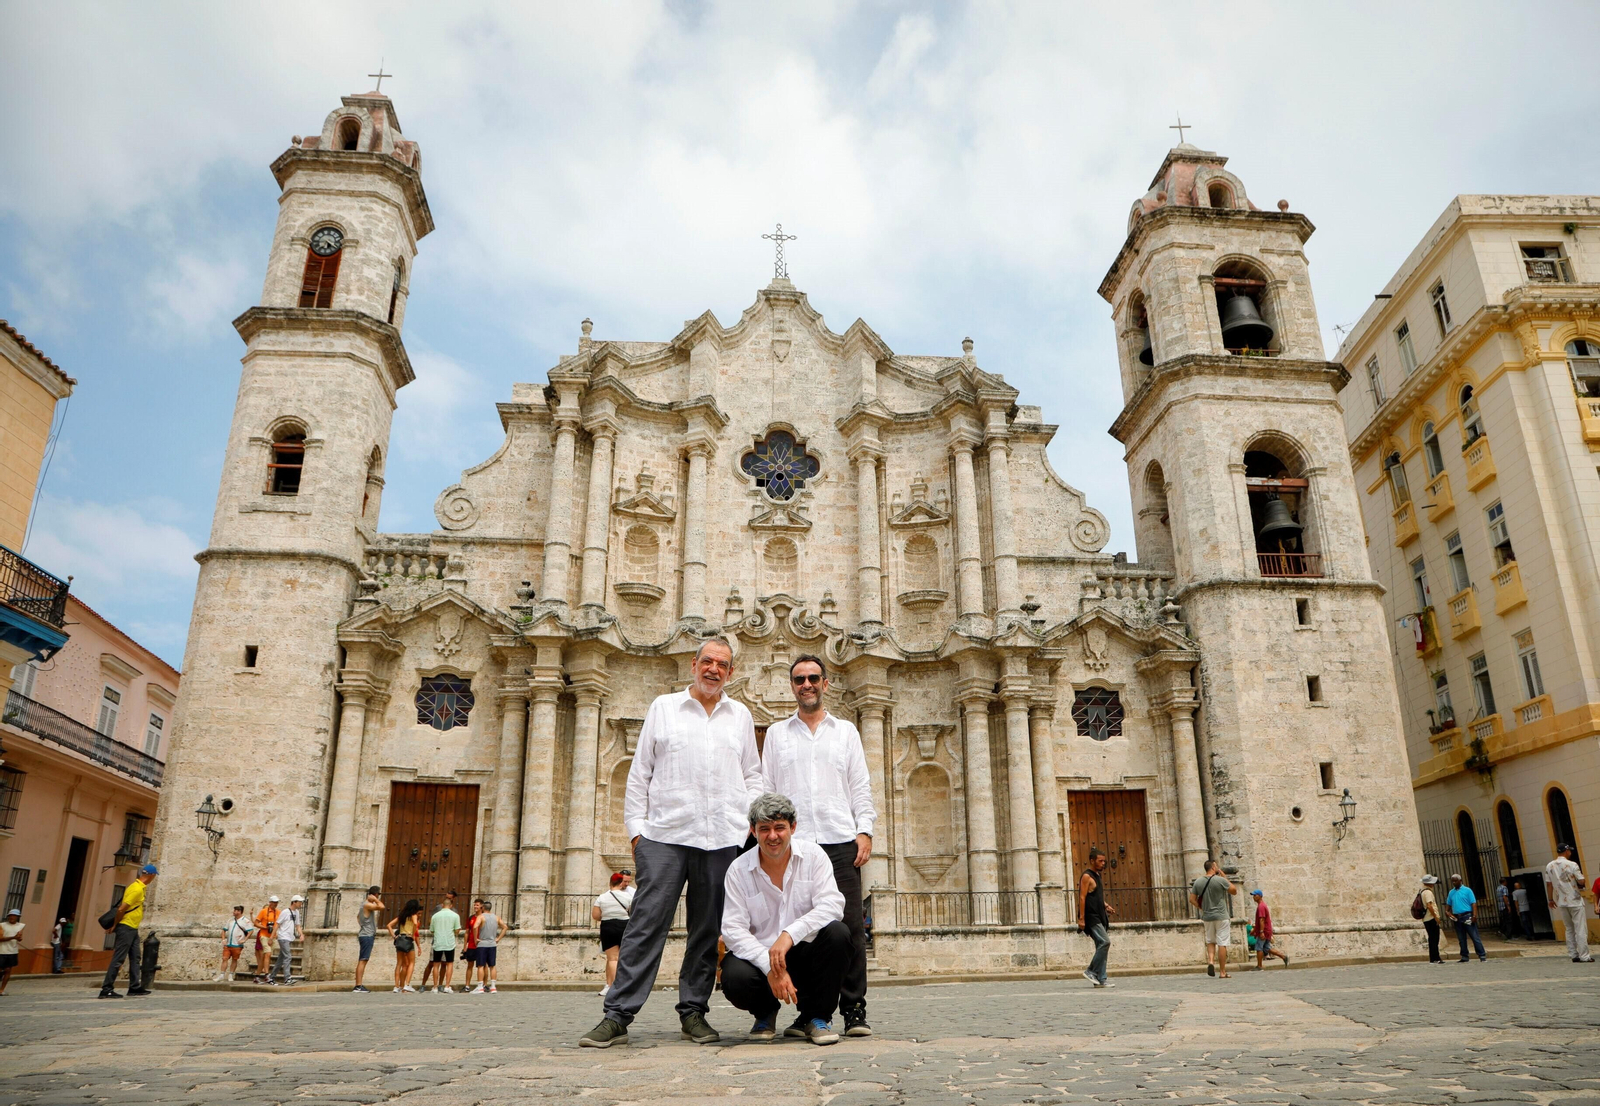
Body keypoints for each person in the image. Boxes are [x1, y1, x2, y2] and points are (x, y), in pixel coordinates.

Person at [580, 637, 763, 1048]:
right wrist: (636, 832)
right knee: (646, 925)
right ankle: (617, 1014)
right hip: (664, 835)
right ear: (694, 665)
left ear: (730, 673)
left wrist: (744, 823)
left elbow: (753, 774)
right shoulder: (664, 707)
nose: (714, 669)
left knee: (706, 929)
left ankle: (694, 1012)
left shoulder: (741, 715)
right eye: (708, 661)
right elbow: (640, 770)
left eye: (722, 664)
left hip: (721, 838)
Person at [760, 653, 878, 1037]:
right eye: (799, 680)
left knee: (849, 928)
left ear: (826, 684)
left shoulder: (846, 732)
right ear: (792, 686)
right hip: (794, 846)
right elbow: (767, 789)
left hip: (839, 839)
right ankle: (811, 1011)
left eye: (813, 678)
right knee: (799, 929)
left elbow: (859, 785)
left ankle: (854, 1008)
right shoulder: (777, 734)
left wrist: (865, 830)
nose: (806, 684)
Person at [719, 793, 849, 1045]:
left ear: (793, 828)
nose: (772, 836)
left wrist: (789, 934)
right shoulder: (737, 869)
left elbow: (833, 905)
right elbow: (733, 929)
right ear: (753, 831)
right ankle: (765, 1012)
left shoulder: (814, 857)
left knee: (838, 934)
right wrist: (770, 966)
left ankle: (815, 1017)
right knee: (733, 976)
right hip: (760, 959)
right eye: (764, 829)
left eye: (780, 827)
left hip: (805, 954)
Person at [99, 863, 157, 998]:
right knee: (118, 958)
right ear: (152, 876)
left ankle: (134, 987)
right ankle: (106, 989)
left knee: (135, 957)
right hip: (126, 927)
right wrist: (115, 924)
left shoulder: (139, 887)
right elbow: (121, 909)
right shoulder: (136, 889)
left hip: (133, 928)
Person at [1189, 859, 1238, 978]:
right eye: (1216, 866)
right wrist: (1224, 876)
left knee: (1210, 941)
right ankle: (1222, 972)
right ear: (1213, 867)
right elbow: (1234, 891)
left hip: (1207, 916)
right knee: (1222, 943)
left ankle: (1211, 961)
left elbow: (1192, 899)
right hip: (1221, 916)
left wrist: (1201, 907)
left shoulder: (1198, 882)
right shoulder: (1220, 880)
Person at [1544, 843, 1593, 963]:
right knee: (1580, 928)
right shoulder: (1572, 864)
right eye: (1569, 850)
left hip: (1561, 901)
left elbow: (1549, 884)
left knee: (1569, 929)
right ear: (1566, 851)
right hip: (1574, 900)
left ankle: (1573, 954)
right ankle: (1584, 955)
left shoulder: (1549, 866)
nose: (1570, 852)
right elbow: (1581, 881)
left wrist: (1550, 899)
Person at [592, 872, 635, 997]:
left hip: (608, 926)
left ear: (610, 882)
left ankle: (612, 985)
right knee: (624, 957)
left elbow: (596, 915)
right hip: (624, 926)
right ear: (621, 883)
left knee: (612, 958)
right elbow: (633, 912)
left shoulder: (602, 897)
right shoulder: (628, 897)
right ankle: (623, 985)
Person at [1078, 847, 1115, 987]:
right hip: (1091, 916)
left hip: (1099, 914)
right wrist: (1081, 918)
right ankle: (1090, 971)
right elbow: (1082, 897)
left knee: (1101, 946)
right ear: (1092, 861)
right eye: (1100, 861)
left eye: (1104, 861)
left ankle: (1101, 979)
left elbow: (1096, 896)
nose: (1103, 863)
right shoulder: (1087, 876)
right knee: (1105, 942)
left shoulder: (1097, 876)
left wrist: (1105, 906)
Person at [1445, 874, 1487, 962]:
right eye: (1452, 881)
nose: (1454, 882)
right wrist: (1447, 912)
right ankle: (1464, 956)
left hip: (1467, 915)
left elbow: (1473, 903)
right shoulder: (1451, 892)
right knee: (1461, 938)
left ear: (1460, 881)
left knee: (1474, 936)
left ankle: (1481, 955)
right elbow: (1448, 904)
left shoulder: (1467, 890)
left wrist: (1474, 915)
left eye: (1455, 881)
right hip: (1457, 917)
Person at [427, 892, 463, 993]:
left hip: (438, 942)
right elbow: (457, 930)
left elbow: (432, 930)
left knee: (436, 964)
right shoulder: (455, 915)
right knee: (449, 964)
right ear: (450, 906)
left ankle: (434, 986)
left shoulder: (435, 916)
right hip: (449, 942)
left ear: (442, 905)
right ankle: (447, 986)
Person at [387, 899, 423, 992]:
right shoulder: (413, 915)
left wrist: (394, 937)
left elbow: (389, 925)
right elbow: (415, 923)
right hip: (408, 939)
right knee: (411, 963)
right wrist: (413, 933)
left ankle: (396, 986)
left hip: (400, 939)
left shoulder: (401, 916)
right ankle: (407, 984)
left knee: (399, 964)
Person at [353, 886, 383, 993]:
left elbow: (358, 917)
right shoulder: (367, 905)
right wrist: (375, 900)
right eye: (378, 895)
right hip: (367, 935)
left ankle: (358, 985)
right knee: (363, 960)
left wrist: (363, 924)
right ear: (375, 894)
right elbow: (382, 907)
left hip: (364, 934)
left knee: (363, 960)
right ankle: (358, 986)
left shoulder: (363, 905)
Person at [1249, 890, 1289, 969]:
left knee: (1259, 948)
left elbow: (1262, 920)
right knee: (1267, 948)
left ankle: (1259, 966)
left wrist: (1261, 932)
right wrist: (1254, 931)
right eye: (1253, 895)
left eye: (1255, 895)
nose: (1253, 897)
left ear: (1260, 896)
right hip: (1266, 930)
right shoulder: (1262, 905)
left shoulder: (1261, 906)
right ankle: (1284, 957)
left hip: (1264, 931)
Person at [273, 894, 303, 985]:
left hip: (289, 938)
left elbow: (298, 925)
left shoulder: (297, 913)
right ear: (294, 902)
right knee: (288, 956)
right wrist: (272, 936)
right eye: (299, 902)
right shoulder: (285, 912)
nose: (301, 904)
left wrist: (301, 934)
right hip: (283, 937)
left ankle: (271, 976)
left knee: (281, 959)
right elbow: (277, 924)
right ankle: (287, 978)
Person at [473, 899, 502, 993]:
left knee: (481, 965)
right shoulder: (496, 917)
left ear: (483, 908)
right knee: (492, 965)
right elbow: (505, 927)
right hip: (492, 944)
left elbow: (474, 927)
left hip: (482, 944)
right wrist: (498, 938)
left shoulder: (481, 917)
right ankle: (493, 986)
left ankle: (480, 986)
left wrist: (475, 939)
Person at [216, 906, 252, 981]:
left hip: (237, 944)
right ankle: (222, 974)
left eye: (235, 910)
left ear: (239, 911)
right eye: (234, 910)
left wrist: (244, 940)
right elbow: (224, 930)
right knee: (224, 958)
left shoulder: (245, 921)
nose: (234, 912)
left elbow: (251, 931)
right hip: (228, 943)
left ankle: (231, 974)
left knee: (234, 959)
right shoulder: (230, 920)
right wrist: (223, 939)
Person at [252, 896, 281, 984]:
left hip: (273, 936)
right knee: (267, 954)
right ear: (270, 902)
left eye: (277, 902)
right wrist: (265, 927)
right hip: (264, 935)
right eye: (274, 902)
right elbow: (256, 923)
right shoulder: (263, 911)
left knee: (265, 956)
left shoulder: (279, 912)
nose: (276, 904)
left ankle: (257, 976)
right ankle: (267, 975)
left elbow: (278, 925)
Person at [460, 898, 482, 993]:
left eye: (477, 905)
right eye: (474, 905)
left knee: (482, 966)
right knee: (470, 965)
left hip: (481, 945)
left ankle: (482, 985)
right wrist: (465, 945)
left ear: (481, 906)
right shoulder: (471, 918)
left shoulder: (483, 918)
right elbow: (467, 932)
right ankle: (467, 985)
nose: (475, 907)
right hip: (472, 945)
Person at [1420, 875, 1443, 964]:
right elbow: (1429, 905)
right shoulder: (1428, 892)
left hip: (1426, 918)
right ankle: (1436, 957)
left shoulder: (1422, 891)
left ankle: (1433, 958)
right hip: (1431, 918)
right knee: (1435, 938)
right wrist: (1436, 917)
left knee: (1432, 938)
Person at [0, 909, 24, 995]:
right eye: (10, 916)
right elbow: (0, 938)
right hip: (1, 951)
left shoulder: (21, 926)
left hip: (12, 951)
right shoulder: (2, 925)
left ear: (17, 917)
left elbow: (20, 938)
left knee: (8, 970)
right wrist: (13, 937)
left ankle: (1, 990)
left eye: (14, 916)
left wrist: (19, 938)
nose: (11, 917)